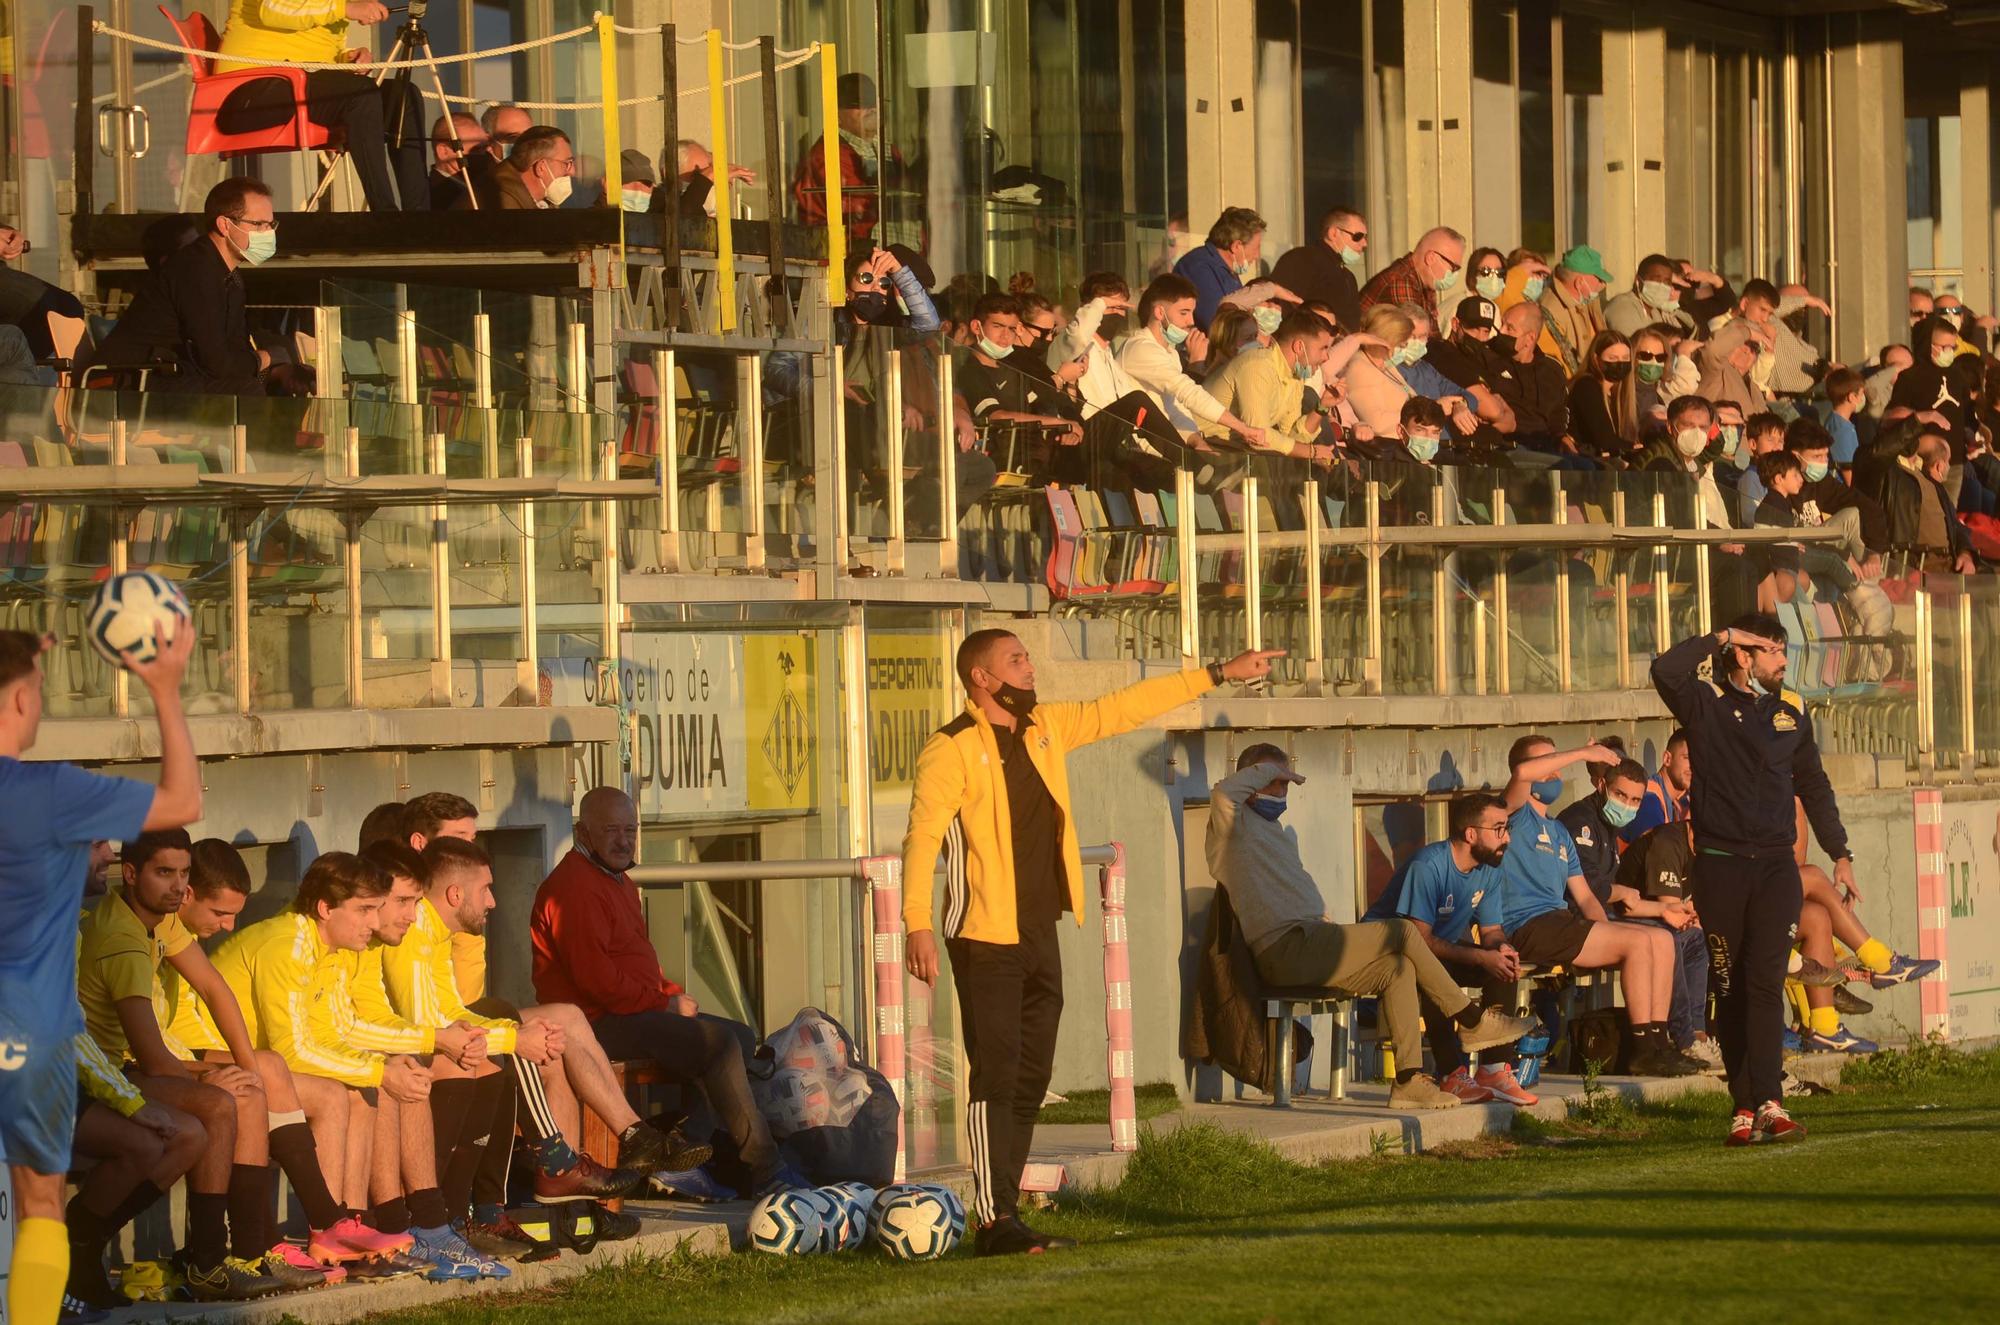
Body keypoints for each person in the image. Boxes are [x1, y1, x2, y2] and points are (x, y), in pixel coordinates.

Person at [901, 635, 1278, 1254]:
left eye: (1029, 656)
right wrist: (916, 919)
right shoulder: (952, 748)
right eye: (1016, 661)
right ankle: (994, 1222)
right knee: (995, 1072)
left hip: (1039, 928)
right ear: (982, 678)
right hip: (983, 935)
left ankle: (1008, 1209)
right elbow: (921, 838)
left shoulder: (1045, 727)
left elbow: (1124, 707)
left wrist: (1218, 673)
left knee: (1031, 1074)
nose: (1029, 667)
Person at [0, 624, 202, 1325]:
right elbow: (181, 804)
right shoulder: (48, 790)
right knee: (39, 1204)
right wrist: (164, 689)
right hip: (26, 1029)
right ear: (21, 700)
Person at [75, 831, 332, 1298]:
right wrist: (214, 1076)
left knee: (249, 1086)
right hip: (107, 1074)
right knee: (218, 1102)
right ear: (130, 874)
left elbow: (215, 989)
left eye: (183, 874)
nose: (177, 886)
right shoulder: (121, 939)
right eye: (164, 873)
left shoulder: (160, 919)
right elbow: (151, 1058)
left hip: (129, 1067)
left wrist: (247, 1066)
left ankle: (249, 1250)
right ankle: (206, 1259)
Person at [1213, 751, 1535, 1108]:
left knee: (1399, 969)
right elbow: (1223, 793)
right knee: (1403, 931)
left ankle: (1409, 1080)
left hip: (1314, 941)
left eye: (1285, 783)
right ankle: (1472, 1021)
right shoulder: (1232, 829)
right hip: (1284, 948)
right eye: (1276, 782)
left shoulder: (1274, 833)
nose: (1283, 791)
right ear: (1254, 781)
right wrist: (1270, 767)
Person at [531, 787, 803, 1198]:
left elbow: (636, 961)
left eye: (631, 830)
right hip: (592, 1025)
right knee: (718, 1044)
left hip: (631, 1011)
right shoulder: (574, 887)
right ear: (582, 833)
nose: (624, 840)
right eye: (611, 830)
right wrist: (663, 1003)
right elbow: (598, 983)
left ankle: (680, 1152)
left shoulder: (614, 877)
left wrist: (669, 995)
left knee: (740, 1037)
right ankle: (766, 1169)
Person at [1651, 613, 1857, 1145]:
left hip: (1774, 869)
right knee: (1731, 989)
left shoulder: (1790, 714)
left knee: (1765, 982)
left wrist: (1840, 852)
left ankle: (1769, 1100)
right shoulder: (1704, 703)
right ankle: (1742, 1104)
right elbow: (1665, 670)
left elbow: (1813, 782)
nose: (1784, 661)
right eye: (1773, 650)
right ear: (1744, 655)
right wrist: (1721, 637)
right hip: (1719, 868)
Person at [200, 855, 431, 1267]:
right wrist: (380, 1068)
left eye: (377, 909)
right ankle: (328, 1227)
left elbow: (332, 1032)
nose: (373, 922)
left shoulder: (326, 946)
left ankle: (348, 1223)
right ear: (326, 908)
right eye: (364, 910)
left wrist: (383, 1065)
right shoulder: (286, 944)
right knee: (330, 1096)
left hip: (256, 1061)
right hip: (204, 1056)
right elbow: (290, 1051)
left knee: (360, 1092)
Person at [1495, 736, 1699, 1077]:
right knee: (1637, 942)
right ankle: (1641, 1050)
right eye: (1550, 763)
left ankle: (1659, 1043)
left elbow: (1587, 896)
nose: (1555, 771)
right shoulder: (1514, 815)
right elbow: (1523, 772)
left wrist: (1609, 929)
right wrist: (1582, 752)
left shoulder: (1558, 831)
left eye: (1557, 764)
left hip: (1561, 922)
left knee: (1660, 939)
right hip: (1527, 925)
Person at [1360, 792, 1541, 1106]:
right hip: (1391, 954)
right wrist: (1480, 954)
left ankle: (1495, 1069)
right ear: (1471, 834)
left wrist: (1500, 949)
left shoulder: (1490, 867)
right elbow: (1419, 940)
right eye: (1499, 829)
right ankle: (1451, 1074)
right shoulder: (1428, 865)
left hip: (1432, 948)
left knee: (1500, 965)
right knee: (1435, 971)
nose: (1507, 838)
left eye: (1507, 828)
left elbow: (1491, 931)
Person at [213, 0, 426, 212]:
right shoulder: (337, 5)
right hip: (248, 91)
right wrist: (346, 9)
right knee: (361, 93)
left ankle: (419, 217)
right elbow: (271, 9)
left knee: (403, 95)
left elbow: (312, 48)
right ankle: (385, 214)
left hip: (296, 80)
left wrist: (346, 57)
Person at [88, 178, 281, 396]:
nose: (268, 232)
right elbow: (218, 364)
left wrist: (276, 372)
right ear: (225, 225)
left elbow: (235, 351)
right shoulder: (196, 269)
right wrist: (267, 358)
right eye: (259, 224)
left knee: (275, 387)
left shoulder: (228, 276)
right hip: (121, 386)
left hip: (162, 379)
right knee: (247, 392)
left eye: (271, 224)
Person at [1045, 271, 1214, 488]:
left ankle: (1201, 479)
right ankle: (1190, 463)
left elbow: (1150, 416)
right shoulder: (1069, 344)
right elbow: (1078, 335)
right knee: (1136, 401)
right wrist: (1101, 302)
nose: (1117, 314)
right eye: (1110, 308)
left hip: (1114, 444)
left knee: (1169, 477)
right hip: (1078, 439)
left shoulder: (1109, 358)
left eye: (1121, 308)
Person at [1613, 816, 1720, 1069]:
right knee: (1672, 940)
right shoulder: (1668, 842)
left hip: (1656, 918)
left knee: (1698, 941)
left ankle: (1697, 1033)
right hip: (1623, 915)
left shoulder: (1711, 849)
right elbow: (1671, 908)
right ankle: (1683, 1037)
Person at [1114, 274, 1267, 448]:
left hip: (1169, 447)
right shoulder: (1140, 348)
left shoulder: (1170, 353)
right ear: (1159, 312)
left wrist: (1196, 441)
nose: (1191, 321)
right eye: (1183, 313)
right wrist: (1243, 428)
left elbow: (1176, 408)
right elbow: (1187, 391)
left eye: (1192, 313)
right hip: (1141, 451)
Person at [1203, 310, 1348, 465]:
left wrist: (1322, 407)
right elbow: (1257, 435)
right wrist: (1311, 452)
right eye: (1323, 348)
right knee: (1285, 466)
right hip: (1204, 447)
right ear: (1299, 347)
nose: (1326, 357)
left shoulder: (1295, 376)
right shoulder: (1257, 366)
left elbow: (1290, 439)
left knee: (1307, 466)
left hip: (1236, 450)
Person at [793, 72, 908, 246]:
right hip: (860, 260)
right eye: (859, 103)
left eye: (874, 102)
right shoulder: (825, 158)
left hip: (900, 257)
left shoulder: (888, 150)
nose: (872, 109)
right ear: (836, 114)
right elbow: (824, 224)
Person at [1554, 757, 1647, 914]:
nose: (1626, 805)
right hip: (1574, 916)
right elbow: (1590, 889)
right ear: (1602, 785)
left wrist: (1666, 909)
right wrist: (1623, 892)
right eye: (1620, 795)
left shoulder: (1610, 823)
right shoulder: (1579, 821)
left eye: (1635, 800)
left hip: (1604, 913)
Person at [1490, 300, 1571, 454]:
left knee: (1588, 467)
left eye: (1510, 328)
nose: (1501, 331)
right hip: (1508, 445)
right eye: (1502, 324)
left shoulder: (1551, 370)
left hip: (1548, 445)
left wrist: (1562, 437)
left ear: (1530, 338)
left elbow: (1559, 412)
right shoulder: (1492, 362)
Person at [1267, 206, 1366, 331]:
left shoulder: (1348, 276)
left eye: (1365, 237)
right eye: (1357, 236)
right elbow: (1282, 307)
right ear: (1333, 233)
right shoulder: (1302, 259)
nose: (1364, 243)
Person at [1173, 207, 1269, 328]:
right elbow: (1221, 326)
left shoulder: (1228, 271)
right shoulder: (1197, 268)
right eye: (1256, 248)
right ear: (1237, 246)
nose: (1257, 256)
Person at [1358, 226, 1466, 326]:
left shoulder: (1426, 283)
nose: (1455, 274)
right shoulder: (1400, 281)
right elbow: (1416, 337)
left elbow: (1433, 338)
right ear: (1431, 258)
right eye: (1453, 267)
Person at [1536, 245, 1612, 376]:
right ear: (1580, 283)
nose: (1603, 285)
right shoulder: (1551, 310)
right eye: (1599, 279)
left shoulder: (1586, 300)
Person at [1566, 329, 1637, 463]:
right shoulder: (1586, 386)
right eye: (1613, 358)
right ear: (1596, 359)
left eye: (1625, 358)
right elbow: (1604, 440)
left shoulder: (1617, 394)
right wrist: (1634, 448)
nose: (1620, 363)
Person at [654, 138, 757, 219]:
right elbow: (678, 224)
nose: (707, 183)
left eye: (710, 171)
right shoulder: (655, 202)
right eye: (698, 176)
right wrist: (706, 178)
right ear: (669, 173)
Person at [477, 126, 575, 210]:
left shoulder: (543, 201)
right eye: (567, 163)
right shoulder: (501, 198)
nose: (572, 171)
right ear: (541, 168)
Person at [1605, 254, 1698, 339]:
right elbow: (1635, 347)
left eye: (1667, 282)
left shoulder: (1655, 311)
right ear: (1638, 280)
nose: (1661, 286)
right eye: (1656, 280)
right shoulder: (1622, 307)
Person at [1624, 729, 1691, 844]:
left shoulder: (1676, 802)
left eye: (1699, 759)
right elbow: (1658, 858)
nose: (1694, 765)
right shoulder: (1649, 802)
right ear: (1667, 759)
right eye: (1687, 758)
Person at [426, 113, 487, 211]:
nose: (484, 155)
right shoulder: (435, 198)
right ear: (444, 152)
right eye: (475, 150)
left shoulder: (479, 185)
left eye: (485, 148)